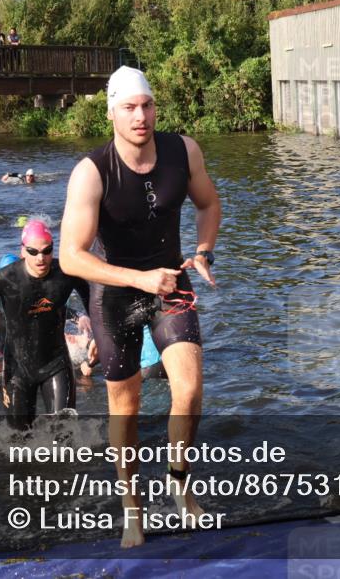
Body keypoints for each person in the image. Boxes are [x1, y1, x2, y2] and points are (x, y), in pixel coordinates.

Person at [60, 65, 221, 547]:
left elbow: (208, 204)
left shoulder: (183, 150)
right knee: (124, 409)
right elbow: (71, 254)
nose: (140, 116)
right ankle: (133, 508)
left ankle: (179, 485)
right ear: (111, 112)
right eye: (129, 107)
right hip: (114, 294)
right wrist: (139, 279)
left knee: (189, 390)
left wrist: (205, 250)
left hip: (170, 283)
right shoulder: (91, 172)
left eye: (147, 105)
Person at [0, 220, 93, 430]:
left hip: (56, 363)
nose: (41, 258)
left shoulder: (67, 273)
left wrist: (100, 336)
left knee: (65, 432)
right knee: (18, 437)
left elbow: (94, 305)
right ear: (23, 251)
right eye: (33, 252)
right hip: (17, 369)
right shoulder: (5, 278)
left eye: (47, 251)